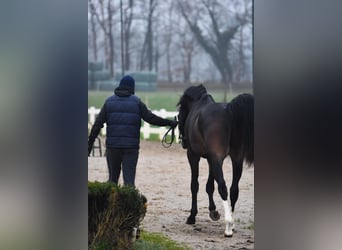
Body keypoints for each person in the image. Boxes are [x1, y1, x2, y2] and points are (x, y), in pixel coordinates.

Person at [88, 75, 178, 186]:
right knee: (129, 182)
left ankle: (112, 202)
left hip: (113, 147)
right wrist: (169, 123)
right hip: (131, 148)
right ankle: (128, 202)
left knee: (112, 181)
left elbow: (97, 125)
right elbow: (151, 118)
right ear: (132, 87)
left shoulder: (109, 102)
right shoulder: (137, 102)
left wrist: (89, 144)